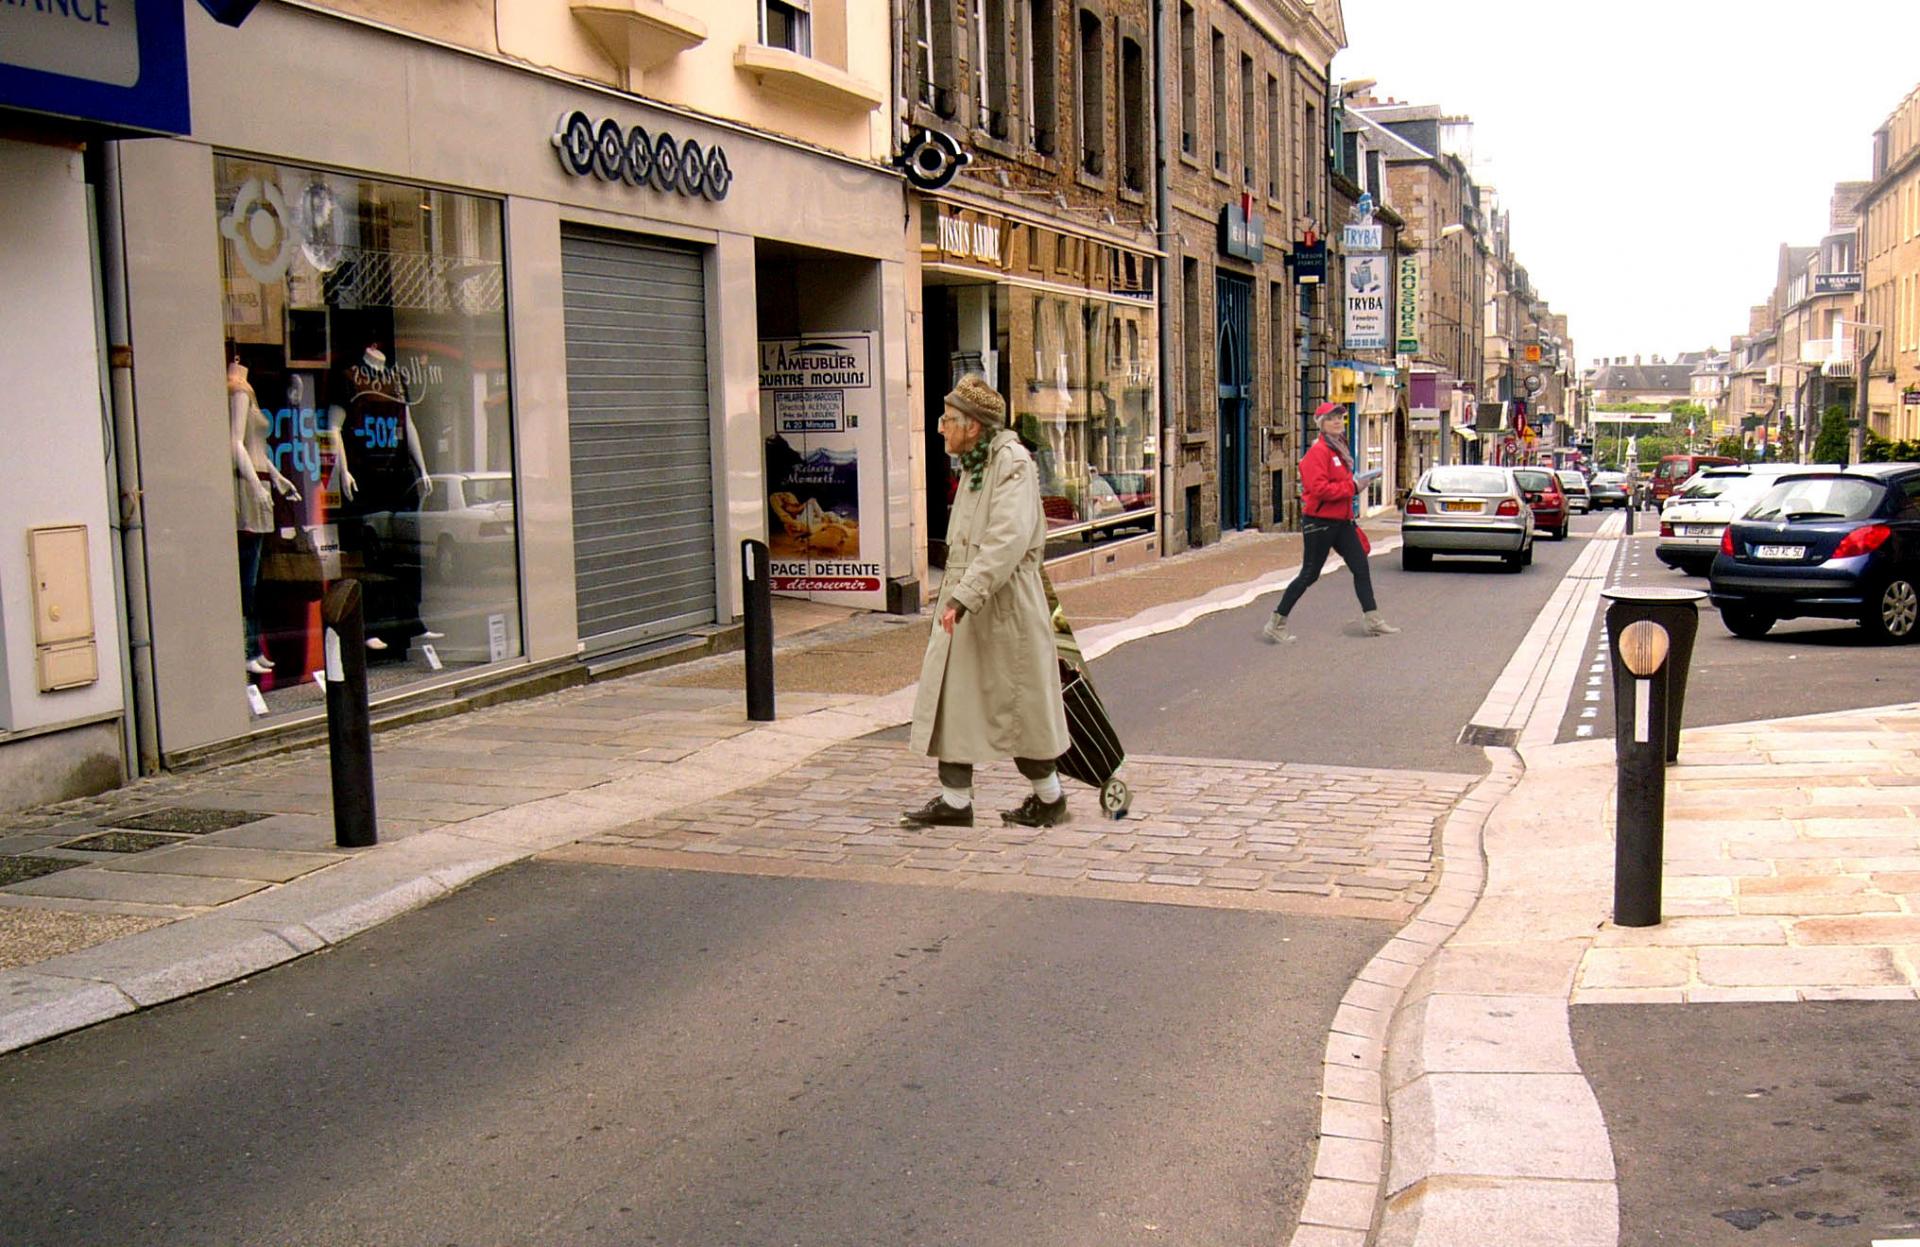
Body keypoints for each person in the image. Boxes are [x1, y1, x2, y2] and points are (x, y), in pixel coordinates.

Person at [904, 375, 1072, 829]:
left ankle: (1050, 797)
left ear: (974, 426)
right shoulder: (976, 463)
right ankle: (955, 801)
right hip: (973, 602)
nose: (941, 428)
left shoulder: (1011, 462)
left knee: (1019, 708)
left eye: (948, 420)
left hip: (1004, 608)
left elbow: (1007, 539)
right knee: (954, 700)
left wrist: (965, 594)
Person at [1263, 401, 1399, 643]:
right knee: (1310, 574)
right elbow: (1319, 489)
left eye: (1340, 417)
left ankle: (1373, 619)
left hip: (1342, 521)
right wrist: (1354, 486)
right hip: (1320, 522)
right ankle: (1276, 622)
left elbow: (1338, 485)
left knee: (1360, 566)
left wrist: (1356, 484)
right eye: (1331, 418)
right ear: (1321, 425)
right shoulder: (1318, 452)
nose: (1337, 421)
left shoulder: (1339, 449)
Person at [230, 357, 301, 675]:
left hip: (257, 480)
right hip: (248, 486)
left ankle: (254, 647)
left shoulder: (248, 391)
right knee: (247, 578)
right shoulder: (237, 391)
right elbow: (235, 443)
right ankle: (246, 647)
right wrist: (255, 486)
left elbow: (256, 447)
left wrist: (276, 478)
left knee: (254, 578)